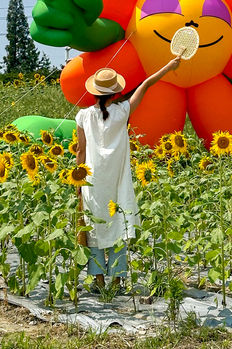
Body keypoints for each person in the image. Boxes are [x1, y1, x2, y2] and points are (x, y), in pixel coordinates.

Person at [75, 56, 181, 293]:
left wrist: (77, 182)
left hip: (92, 181)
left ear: (94, 93)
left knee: (93, 226)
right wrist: (169, 66)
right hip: (118, 179)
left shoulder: (83, 116)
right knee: (117, 224)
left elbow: (80, 150)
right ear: (114, 94)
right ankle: (117, 279)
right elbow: (145, 85)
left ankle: (99, 280)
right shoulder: (123, 111)